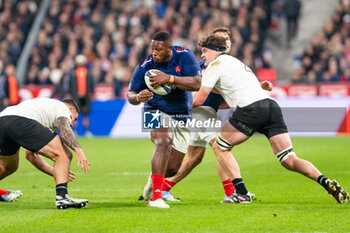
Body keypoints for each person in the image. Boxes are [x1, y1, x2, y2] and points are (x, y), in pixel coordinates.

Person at [193, 34, 349, 204]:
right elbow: (230, 96)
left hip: (250, 109)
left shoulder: (214, 66)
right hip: (271, 106)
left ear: (215, 51)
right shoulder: (237, 63)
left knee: (220, 148)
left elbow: (199, 100)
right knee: (289, 159)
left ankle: (242, 194)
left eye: (204, 51)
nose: (202, 56)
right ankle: (324, 181)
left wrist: (177, 106)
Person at [161, 27, 272, 203]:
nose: (227, 41)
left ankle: (163, 187)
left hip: (205, 111)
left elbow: (225, 98)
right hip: (201, 111)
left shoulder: (227, 63)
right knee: (220, 146)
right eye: (223, 38)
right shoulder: (208, 64)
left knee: (195, 156)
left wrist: (256, 87)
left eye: (228, 38)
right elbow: (199, 90)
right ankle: (232, 191)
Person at [127, 31, 201, 208]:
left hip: (181, 114)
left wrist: (169, 79)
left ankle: (154, 182)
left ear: (170, 49)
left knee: (173, 168)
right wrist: (138, 98)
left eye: (158, 49)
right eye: (152, 48)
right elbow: (130, 94)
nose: (154, 52)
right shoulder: (145, 65)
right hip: (154, 111)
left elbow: (197, 83)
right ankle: (157, 198)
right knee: (164, 140)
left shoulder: (184, 56)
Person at [0, 98, 90, 208]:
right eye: (74, 119)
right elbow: (64, 127)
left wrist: (56, 171)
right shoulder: (62, 107)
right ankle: (62, 197)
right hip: (20, 120)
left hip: (2, 120)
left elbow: (30, 155)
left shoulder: (43, 110)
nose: (72, 123)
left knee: (8, 167)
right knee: (64, 154)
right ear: (70, 109)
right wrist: (78, 150)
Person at [67, 55, 95, 136]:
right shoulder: (73, 72)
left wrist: (92, 92)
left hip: (85, 96)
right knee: (75, 115)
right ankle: (75, 131)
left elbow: (91, 83)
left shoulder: (87, 72)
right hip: (76, 96)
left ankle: (87, 131)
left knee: (85, 114)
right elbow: (70, 85)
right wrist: (69, 93)